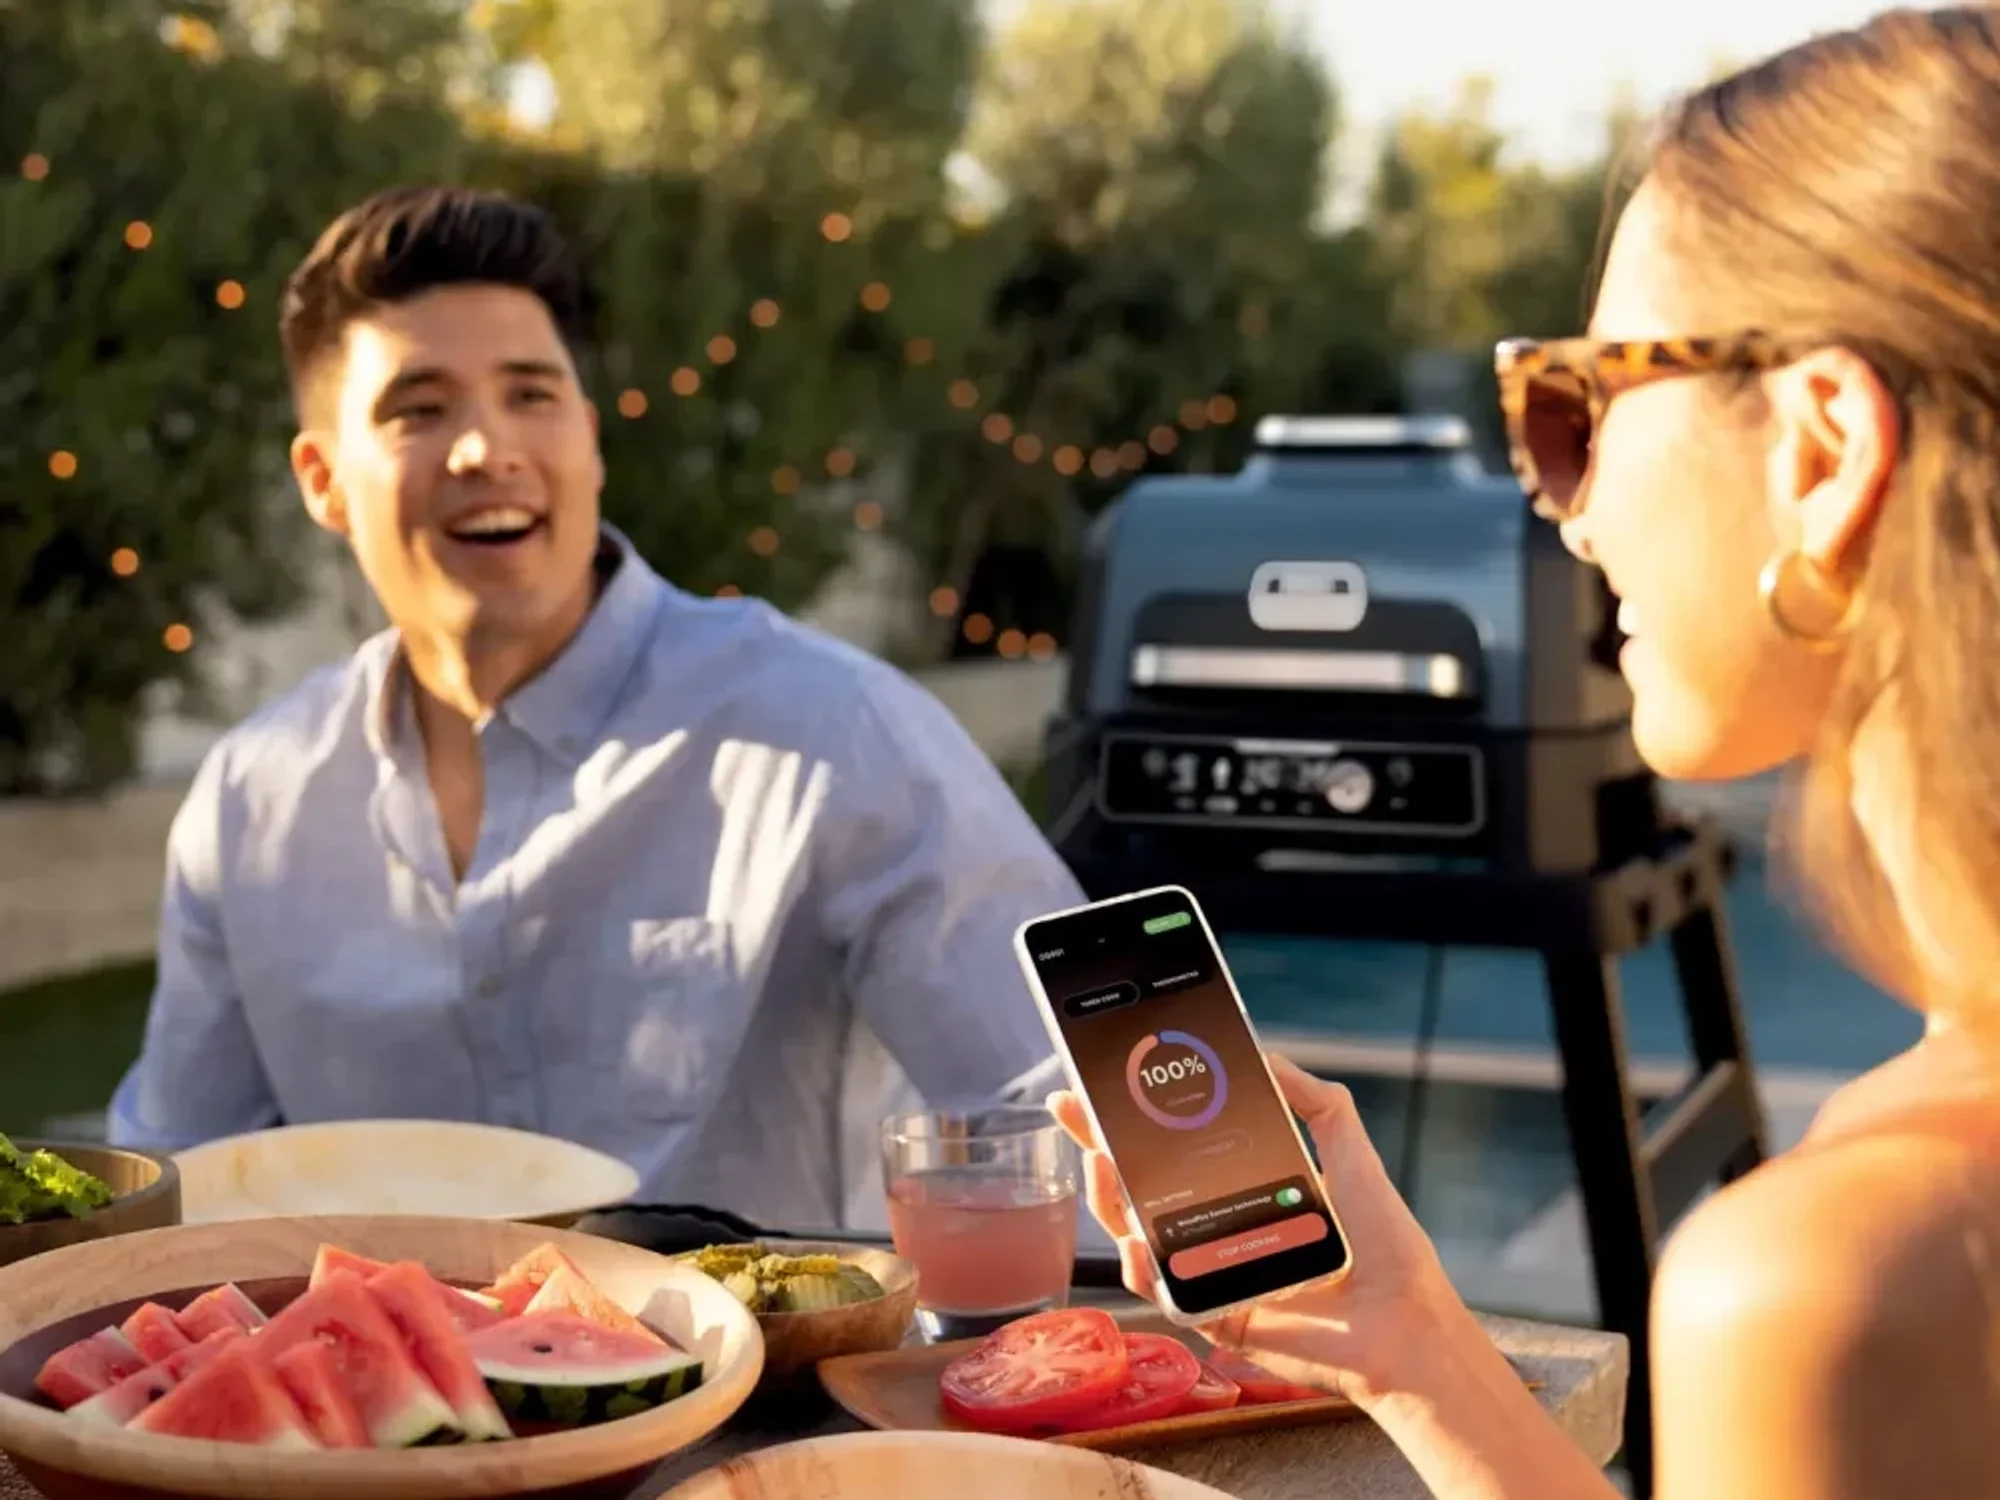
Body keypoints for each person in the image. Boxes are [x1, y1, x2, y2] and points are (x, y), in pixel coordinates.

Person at [1055, 8, 2000, 1497]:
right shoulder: (1915, 1142)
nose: (1568, 507)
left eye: (1579, 405)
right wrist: (1410, 1342)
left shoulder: (1841, 1270)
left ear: (1822, 449)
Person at [109, 184, 1083, 1231]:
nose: (487, 450)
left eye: (530, 394)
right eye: (418, 410)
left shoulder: (830, 732)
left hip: (755, 1343)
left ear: (588, 434)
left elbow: (1064, 1102)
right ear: (323, 479)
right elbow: (166, 1183)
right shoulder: (248, 803)